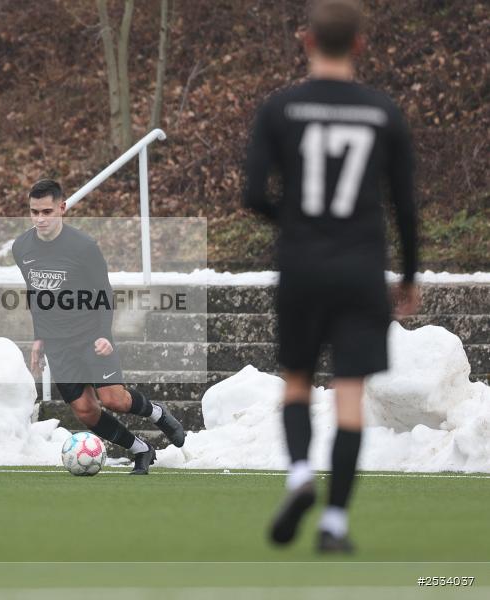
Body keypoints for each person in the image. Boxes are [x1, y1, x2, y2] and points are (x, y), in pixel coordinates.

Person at [243, 0, 419, 552]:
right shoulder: (382, 112)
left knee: (297, 381)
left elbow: (253, 194)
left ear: (307, 40)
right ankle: (335, 523)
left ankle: (300, 474)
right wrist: (409, 274)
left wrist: (295, 223)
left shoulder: (280, 108)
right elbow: (405, 205)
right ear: (360, 45)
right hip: (360, 269)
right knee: (349, 394)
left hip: (301, 266)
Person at [12, 179, 185, 475]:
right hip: (57, 342)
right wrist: (38, 338)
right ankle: (140, 449)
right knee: (85, 410)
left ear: (62, 208)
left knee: (114, 400)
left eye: (47, 211)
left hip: (90, 336)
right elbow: (35, 295)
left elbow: (104, 293)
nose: (40, 219)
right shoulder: (22, 248)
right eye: (34, 212)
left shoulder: (83, 247)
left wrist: (105, 334)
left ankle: (157, 413)